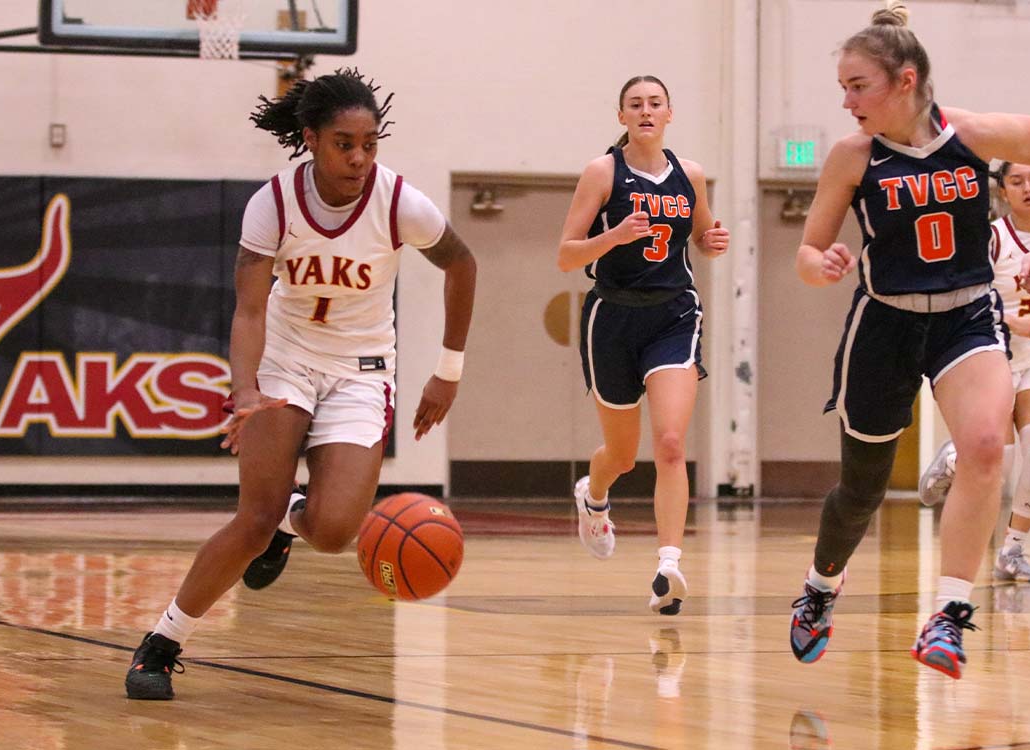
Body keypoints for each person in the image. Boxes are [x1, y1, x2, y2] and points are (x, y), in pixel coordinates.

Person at [124, 69, 477, 700]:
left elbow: (461, 262)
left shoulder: (399, 201)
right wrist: (246, 391)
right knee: (252, 517)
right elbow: (251, 309)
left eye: (370, 143)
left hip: (362, 369)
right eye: (345, 143)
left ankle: (295, 521)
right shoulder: (274, 203)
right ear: (311, 139)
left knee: (338, 530)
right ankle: (161, 643)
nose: (360, 157)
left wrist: (447, 371)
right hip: (285, 359)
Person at [787, 0, 1030, 679]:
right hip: (884, 322)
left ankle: (949, 615)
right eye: (844, 86)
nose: (846, 100)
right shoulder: (853, 157)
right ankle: (822, 585)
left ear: (904, 80)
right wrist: (816, 265)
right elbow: (808, 245)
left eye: (858, 86)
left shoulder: (974, 134)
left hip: (967, 316)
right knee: (863, 489)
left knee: (982, 447)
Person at [557, 75, 729, 616]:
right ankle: (594, 495)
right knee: (624, 456)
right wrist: (613, 237)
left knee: (672, 442)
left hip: (674, 313)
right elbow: (565, 255)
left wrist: (711, 241)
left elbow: (701, 235)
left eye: (655, 103)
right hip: (611, 316)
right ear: (622, 115)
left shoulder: (690, 175)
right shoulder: (602, 172)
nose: (646, 111)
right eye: (636, 104)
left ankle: (669, 565)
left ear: (670, 113)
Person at [918, 162, 1030, 583]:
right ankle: (955, 456)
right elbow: (960, 296)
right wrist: (1007, 318)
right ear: (1003, 191)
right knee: (998, 459)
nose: (1028, 188)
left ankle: (1012, 552)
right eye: (1017, 181)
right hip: (991, 354)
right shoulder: (992, 238)